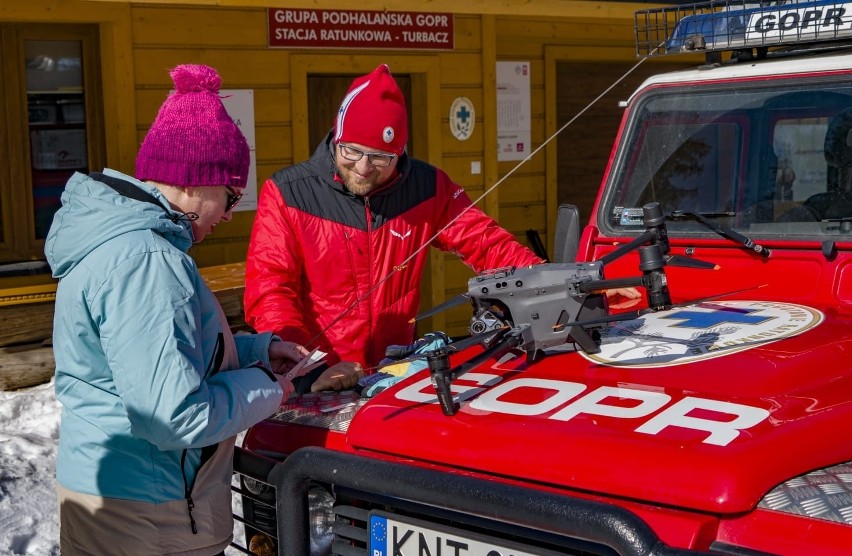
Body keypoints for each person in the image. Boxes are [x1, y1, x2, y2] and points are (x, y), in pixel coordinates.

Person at [45, 64, 359, 556]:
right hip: (149, 514)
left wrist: (261, 348)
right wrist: (268, 388)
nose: (232, 213)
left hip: (127, 498)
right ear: (196, 182)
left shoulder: (127, 246)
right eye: (231, 196)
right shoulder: (147, 261)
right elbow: (173, 415)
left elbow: (166, 354)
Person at [245, 64, 639, 371]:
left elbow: (490, 247)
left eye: (380, 158)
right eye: (351, 151)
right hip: (310, 373)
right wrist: (305, 366)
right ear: (336, 137)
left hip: (392, 368)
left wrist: (570, 285)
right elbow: (270, 290)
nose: (364, 168)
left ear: (400, 152)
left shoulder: (426, 187)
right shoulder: (288, 192)